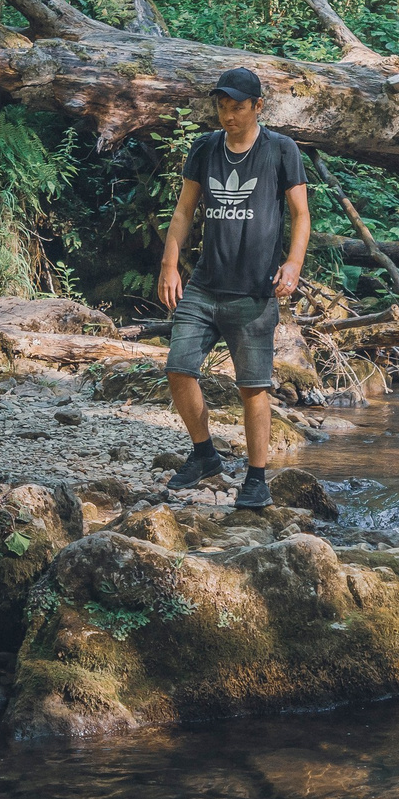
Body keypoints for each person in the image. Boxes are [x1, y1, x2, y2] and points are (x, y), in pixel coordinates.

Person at [155, 66, 314, 510]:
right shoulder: (205, 148)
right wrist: (170, 265)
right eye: (222, 107)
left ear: (258, 106)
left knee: (253, 387)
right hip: (205, 286)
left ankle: (257, 478)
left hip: (255, 292)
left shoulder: (280, 149)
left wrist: (293, 264)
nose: (228, 116)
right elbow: (184, 210)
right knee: (179, 368)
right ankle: (205, 455)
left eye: (238, 107)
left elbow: (301, 214)